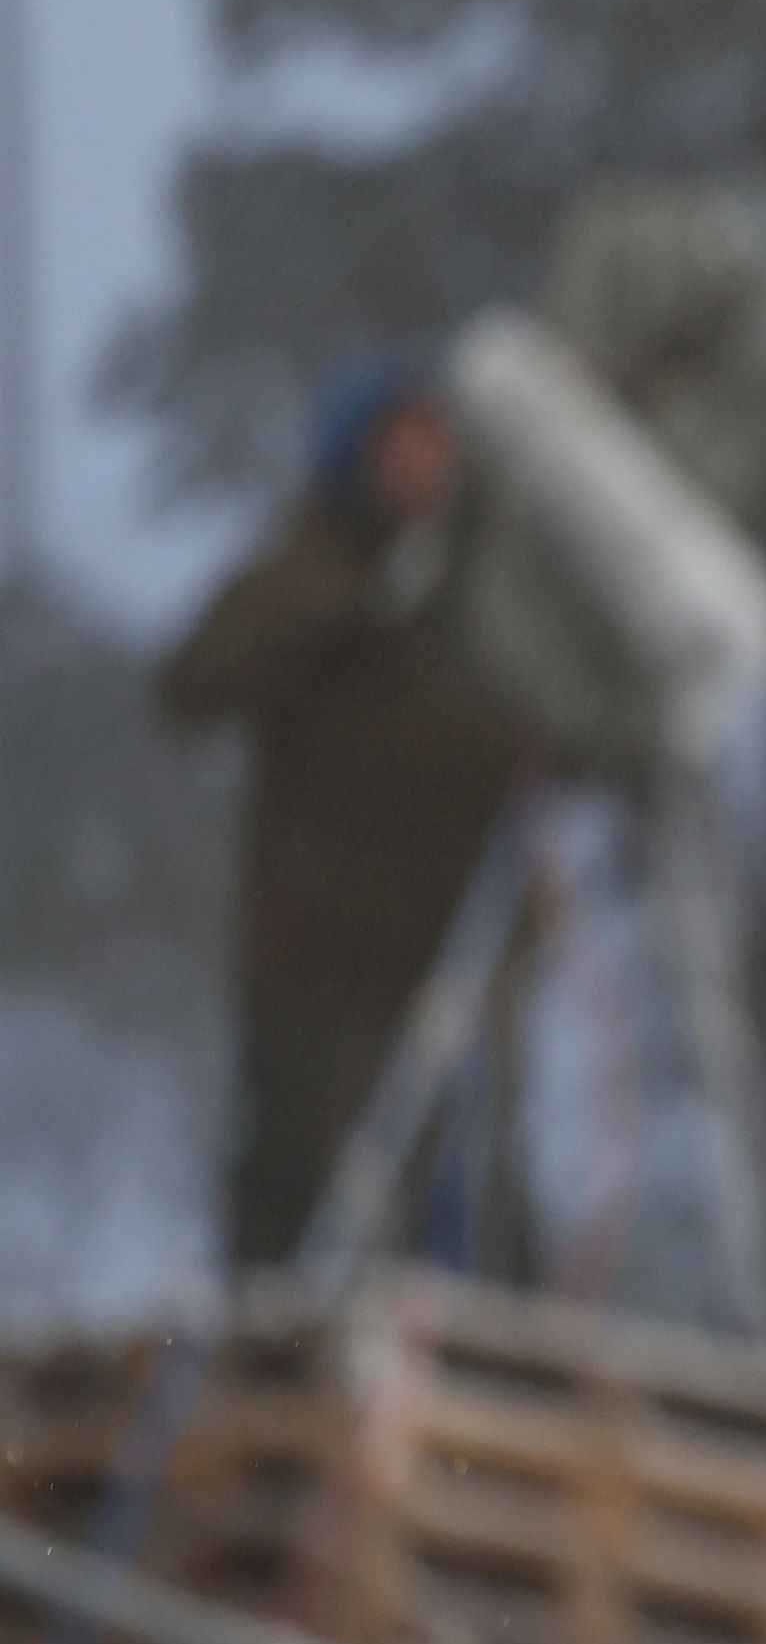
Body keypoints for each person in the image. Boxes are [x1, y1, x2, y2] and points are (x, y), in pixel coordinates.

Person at [159, 361, 535, 1271]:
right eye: (399, 446)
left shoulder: (485, 597)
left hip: (457, 964)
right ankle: (266, 1380)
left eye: (436, 446)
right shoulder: (305, 572)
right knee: (303, 1202)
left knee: (467, 1205)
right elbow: (189, 687)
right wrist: (347, 599)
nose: (422, 467)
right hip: (316, 964)